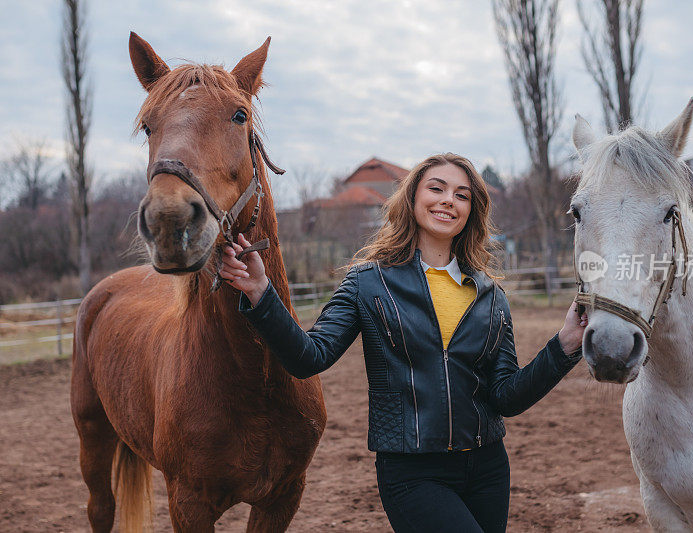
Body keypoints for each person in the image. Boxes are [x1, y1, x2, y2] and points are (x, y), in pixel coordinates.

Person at [220, 153, 587, 533]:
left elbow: (507, 397)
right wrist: (261, 292)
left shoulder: (491, 295)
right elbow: (309, 357)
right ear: (412, 199)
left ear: (470, 212)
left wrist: (564, 344)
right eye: (437, 188)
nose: (449, 200)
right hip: (413, 472)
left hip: (488, 468)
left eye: (462, 195)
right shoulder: (367, 283)